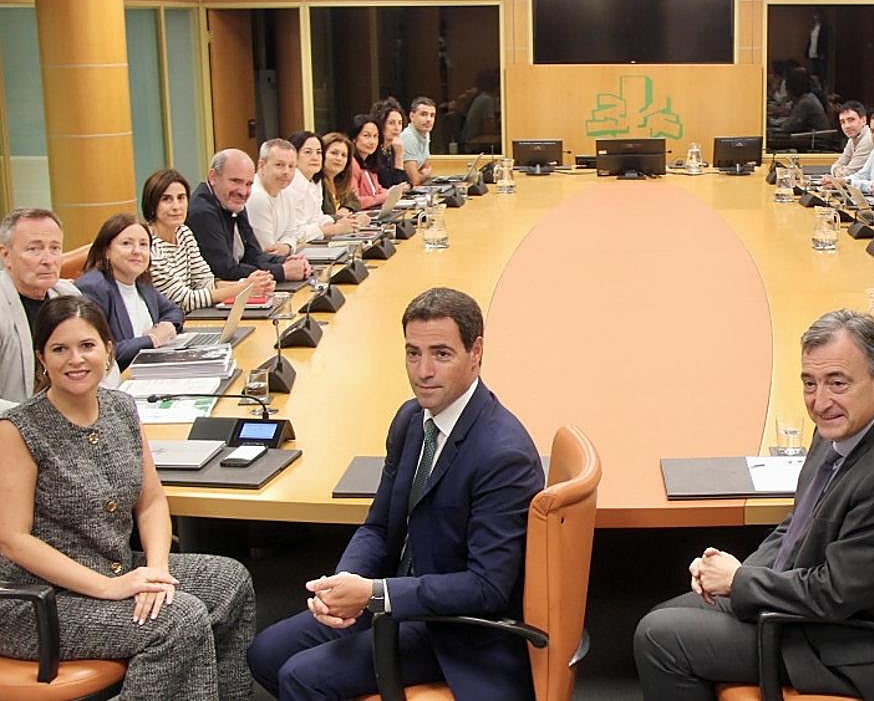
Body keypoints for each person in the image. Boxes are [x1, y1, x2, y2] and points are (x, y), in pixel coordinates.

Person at [248, 288, 545, 700]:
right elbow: (378, 527)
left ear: (475, 352)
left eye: (441, 354)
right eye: (412, 353)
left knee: (302, 676)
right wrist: (343, 584)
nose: (422, 371)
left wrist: (375, 595)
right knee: (265, 654)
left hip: (452, 628)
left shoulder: (502, 454)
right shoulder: (411, 420)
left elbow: (487, 588)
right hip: (396, 596)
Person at [634, 310, 874, 700]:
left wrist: (739, 581)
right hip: (804, 608)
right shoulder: (844, 426)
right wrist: (742, 572)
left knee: (661, 640)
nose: (820, 401)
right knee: (662, 617)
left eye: (837, 383)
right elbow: (798, 523)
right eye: (809, 383)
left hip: (840, 643)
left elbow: (836, 593)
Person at [0, 295, 257, 699]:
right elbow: (14, 540)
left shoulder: (121, 407)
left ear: (107, 349)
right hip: (39, 601)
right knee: (178, 619)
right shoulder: (18, 429)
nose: (75, 360)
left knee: (230, 581)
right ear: (42, 358)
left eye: (86, 346)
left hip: (118, 568)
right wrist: (109, 588)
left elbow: (152, 501)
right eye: (59, 349)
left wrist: (157, 572)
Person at [144, 168, 274, 313]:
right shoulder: (147, 245)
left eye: (181, 198)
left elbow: (206, 282)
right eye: (166, 199)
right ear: (152, 204)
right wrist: (245, 288)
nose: (176, 206)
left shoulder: (184, 233)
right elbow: (184, 301)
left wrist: (252, 285)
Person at [75, 213, 185, 370]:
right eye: (127, 243)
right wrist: (152, 339)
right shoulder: (94, 289)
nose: (137, 251)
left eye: (143, 244)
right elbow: (102, 353)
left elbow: (174, 310)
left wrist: (167, 326)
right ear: (107, 251)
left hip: (151, 368)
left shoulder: (141, 282)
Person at [187, 149, 311, 283]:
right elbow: (225, 270)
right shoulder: (202, 212)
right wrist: (282, 271)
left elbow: (253, 254)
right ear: (213, 177)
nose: (243, 191)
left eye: (248, 184)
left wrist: (287, 261)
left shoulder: (231, 201)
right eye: (235, 181)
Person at [0, 208, 80, 411]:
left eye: (55, 248)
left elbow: (106, 360)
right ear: (6, 256)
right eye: (34, 249)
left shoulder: (68, 294)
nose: (48, 259)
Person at [284, 131, 370, 242]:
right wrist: (336, 228)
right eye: (308, 152)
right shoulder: (291, 184)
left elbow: (317, 218)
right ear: (293, 156)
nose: (315, 157)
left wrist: (349, 222)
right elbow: (298, 234)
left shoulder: (314, 182)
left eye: (319, 152)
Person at [245, 138, 300, 256]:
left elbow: (293, 234)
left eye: (291, 166)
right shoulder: (256, 196)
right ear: (261, 165)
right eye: (279, 165)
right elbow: (267, 250)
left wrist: (287, 247)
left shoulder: (288, 191)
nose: (286, 172)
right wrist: (288, 246)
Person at [774, 68, 829, 139]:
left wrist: (777, 123)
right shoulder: (808, 97)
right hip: (813, 138)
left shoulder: (805, 103)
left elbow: (789, 127)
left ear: (792, 89)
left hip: (820, 141)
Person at [348, 115, 390, 210]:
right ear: (354, 138)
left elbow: (377, 190)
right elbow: (354, 202)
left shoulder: (369, 162)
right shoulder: (352, 164)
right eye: (366, 136)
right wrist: (382, 197)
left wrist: (392, 193)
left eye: (375, 136)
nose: (372, 141)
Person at [370, 98, 411, 188]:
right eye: (391, 123)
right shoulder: (373, 150)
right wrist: (399, 157)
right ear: (381, 124)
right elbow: (390, 185)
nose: (397, 128)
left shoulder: (392, 148)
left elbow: (407, 182)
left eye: (400, 123)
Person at [827, 101, 873, 178]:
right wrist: (838, 170)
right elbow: (837, 164)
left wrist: (839, 171)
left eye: (851, 120)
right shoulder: (853, 138)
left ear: (863, 120)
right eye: (842, 122)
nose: (847, 126)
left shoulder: (868, 139)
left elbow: (849, 173)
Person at [320, 132, 360, 216]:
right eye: (334, 153)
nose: (339, 158)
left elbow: (355, 202)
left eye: (344, 155)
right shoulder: (318, 184)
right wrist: (339, 218)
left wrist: (346, 208)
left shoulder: (339, 182)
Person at [401, 97, 438, 187]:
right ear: (412, 116)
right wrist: (424, 175)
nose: (429, 119)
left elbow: (425, 166)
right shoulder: (408, 137)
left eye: (432, 115)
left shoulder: (426, 133)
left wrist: (423, 174)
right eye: (424, 114)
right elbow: (414, 180)